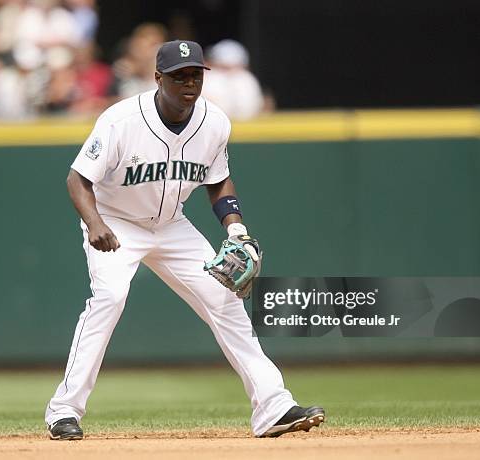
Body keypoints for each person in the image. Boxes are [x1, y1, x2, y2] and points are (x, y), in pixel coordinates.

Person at [44, 40, 325, 440]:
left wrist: (236, 229)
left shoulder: (214, 122)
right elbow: (77, 178)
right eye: (179, 76)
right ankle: (63, 412)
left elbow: (218, 180)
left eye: (195, 74)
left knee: (226, 300)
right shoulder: (121, 120)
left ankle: (273, 407)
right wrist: (93, 223)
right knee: (108, 298)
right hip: (115, 221)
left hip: (171, 225)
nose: (189, 82)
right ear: (158, 78)